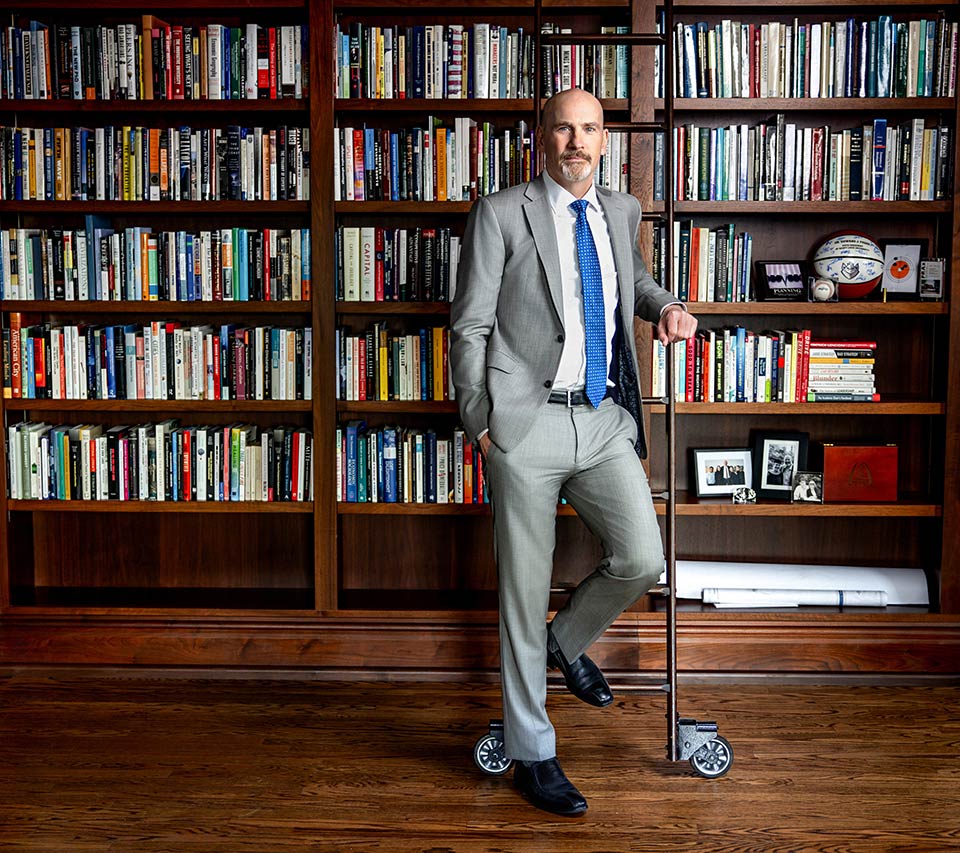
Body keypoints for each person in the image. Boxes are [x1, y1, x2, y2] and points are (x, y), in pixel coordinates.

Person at [450, 88, 698, 817]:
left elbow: (633, 284)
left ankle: (566, 639)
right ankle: (534, 749)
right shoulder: (502, 213)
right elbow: (467, 327)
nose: (577, 141)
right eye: (564, 127)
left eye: (589, 128)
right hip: (524, 426)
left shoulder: (620, 210)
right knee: (521, 596)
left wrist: (664, 307)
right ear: (542, 136)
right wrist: (482, 425)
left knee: (642, 556)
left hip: (603, 417)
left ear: (602, 139)